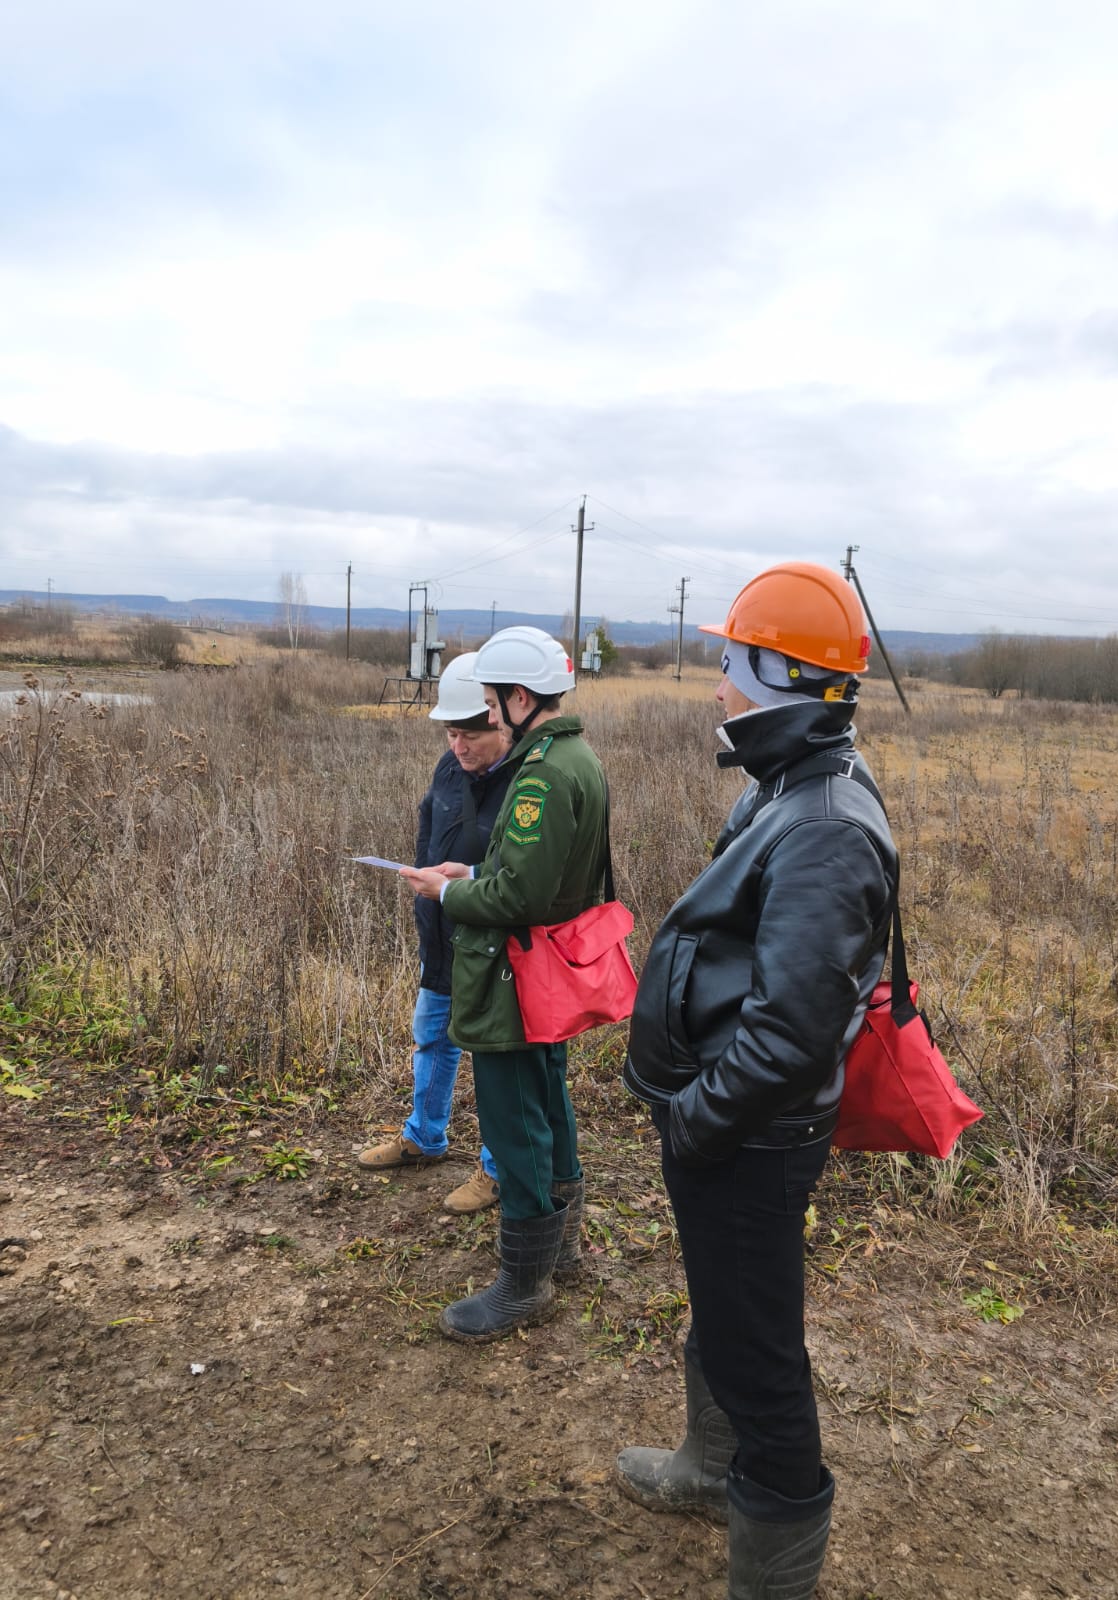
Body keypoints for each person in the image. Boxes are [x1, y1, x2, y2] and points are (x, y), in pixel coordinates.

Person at [616, 563, 898, 1600]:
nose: (718, 683)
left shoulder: (823, 823)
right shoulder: (789, 783)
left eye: (729, 661)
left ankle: (771, 1570)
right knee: (728, 1314)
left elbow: (789, 1033)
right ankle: (705, 1467)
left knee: (761, 1355)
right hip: (739, 1129)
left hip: (750, 1136)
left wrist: (694, 1122)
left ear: (781, 672)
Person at [400, 626, 609, 1342]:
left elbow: (519, 897)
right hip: (548, 970)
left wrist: (449, 892)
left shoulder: (542, 775)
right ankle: (566, 1251)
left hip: (516, 976)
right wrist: (475, 873)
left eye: (492, 703)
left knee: (514, 1116)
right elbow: (538, 881)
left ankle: (524, 1281)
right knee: (549, 1103)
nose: (488, 717)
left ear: (522, 699)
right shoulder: (578, 758)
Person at [357, 652, 510, 1214]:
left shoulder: (527, 781)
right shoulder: (450, 767)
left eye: (468, 733)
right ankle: (424, 1137)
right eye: (450, 733)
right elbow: (430, 831)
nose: (457, 746)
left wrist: (462, 886)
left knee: (495, 1055)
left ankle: (499, 1169)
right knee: (432, 1034)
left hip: (496, 947)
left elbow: (528, 878)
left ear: (499, 719)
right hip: (441, 935)